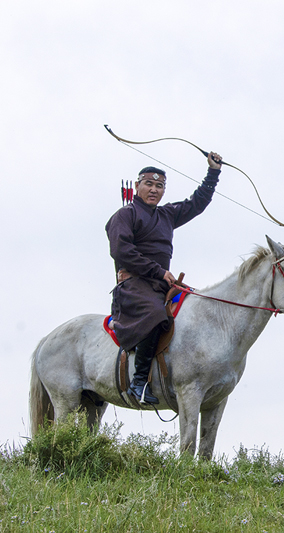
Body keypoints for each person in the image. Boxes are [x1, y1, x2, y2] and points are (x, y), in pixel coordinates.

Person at [106, 152, 222, 404]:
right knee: (156, 314)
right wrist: (158, 271)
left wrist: (213, 173)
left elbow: (197, 203)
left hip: (160, 286)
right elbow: (121, 251)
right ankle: (138, 383)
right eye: (149, 184)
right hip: (133, 286)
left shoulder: (167, 215)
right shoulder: (124, 216)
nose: (154, 189)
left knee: (195, 308)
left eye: (160, 186)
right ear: (137, 186)